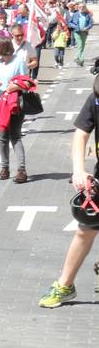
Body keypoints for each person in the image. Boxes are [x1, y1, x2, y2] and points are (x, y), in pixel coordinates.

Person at [41, 76, 99, 307]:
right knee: (85, 230)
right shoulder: (94, 99)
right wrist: (78, 170)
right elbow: (81, 134)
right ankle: (65, 285)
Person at [0, 36, 31, 184]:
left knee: (15, 136)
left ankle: (21, 170)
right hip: (0, 104)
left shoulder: (18, 61)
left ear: (2, 48)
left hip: (14, 105)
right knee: (2, 138)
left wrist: (16, 87)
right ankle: (5, 167)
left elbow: (28, 82)